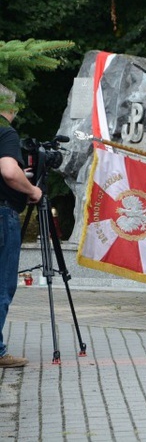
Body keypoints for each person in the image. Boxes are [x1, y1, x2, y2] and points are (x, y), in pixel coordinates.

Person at [0, 84, 42, 368]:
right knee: (2, 285)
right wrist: (32, 190)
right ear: (10, 108)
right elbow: (8, 170)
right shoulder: (5, 131)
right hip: (2, 215)